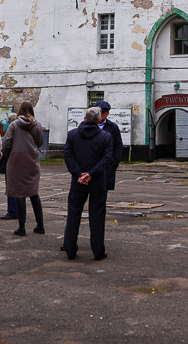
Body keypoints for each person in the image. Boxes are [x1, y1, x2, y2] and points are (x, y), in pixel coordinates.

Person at [62, 107, 114, 261]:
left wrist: (79, 174)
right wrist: (90, 174)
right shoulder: (105, 137)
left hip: (78, 183)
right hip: (98, 182)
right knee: (97, 217)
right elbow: (107, 159)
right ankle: (98, 251)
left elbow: (67, 155)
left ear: (84, 119)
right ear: (99, 120)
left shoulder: (72, 135)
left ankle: (70, 250)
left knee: (73, 216)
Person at [2, 102, 44, 236]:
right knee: (33, 193)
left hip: (16, 161)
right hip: (32, 161)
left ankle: (22, 227)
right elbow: (40, 142)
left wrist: (10, 156)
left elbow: (6, 142)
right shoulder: (37, 124)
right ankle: (40, 225)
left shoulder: (14, 125)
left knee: (19, 194)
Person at [96, 101, 124, 192]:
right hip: (89, 165)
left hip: (106, 167)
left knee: (102, 195)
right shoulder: (85, 126)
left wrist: (114, 163)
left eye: (102, 112)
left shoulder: (113, 128)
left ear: (107, 113)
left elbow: (118, 146)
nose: (100, 115)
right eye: (97, 112)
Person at [0, 112, 19, 221]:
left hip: (10, 162)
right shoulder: (23, 130)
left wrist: (5, 155)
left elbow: (5, 145)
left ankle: (12, 211)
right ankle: (20, 210)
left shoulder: (11, 130)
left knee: (10, 188)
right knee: (20, 188)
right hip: (21, 163)